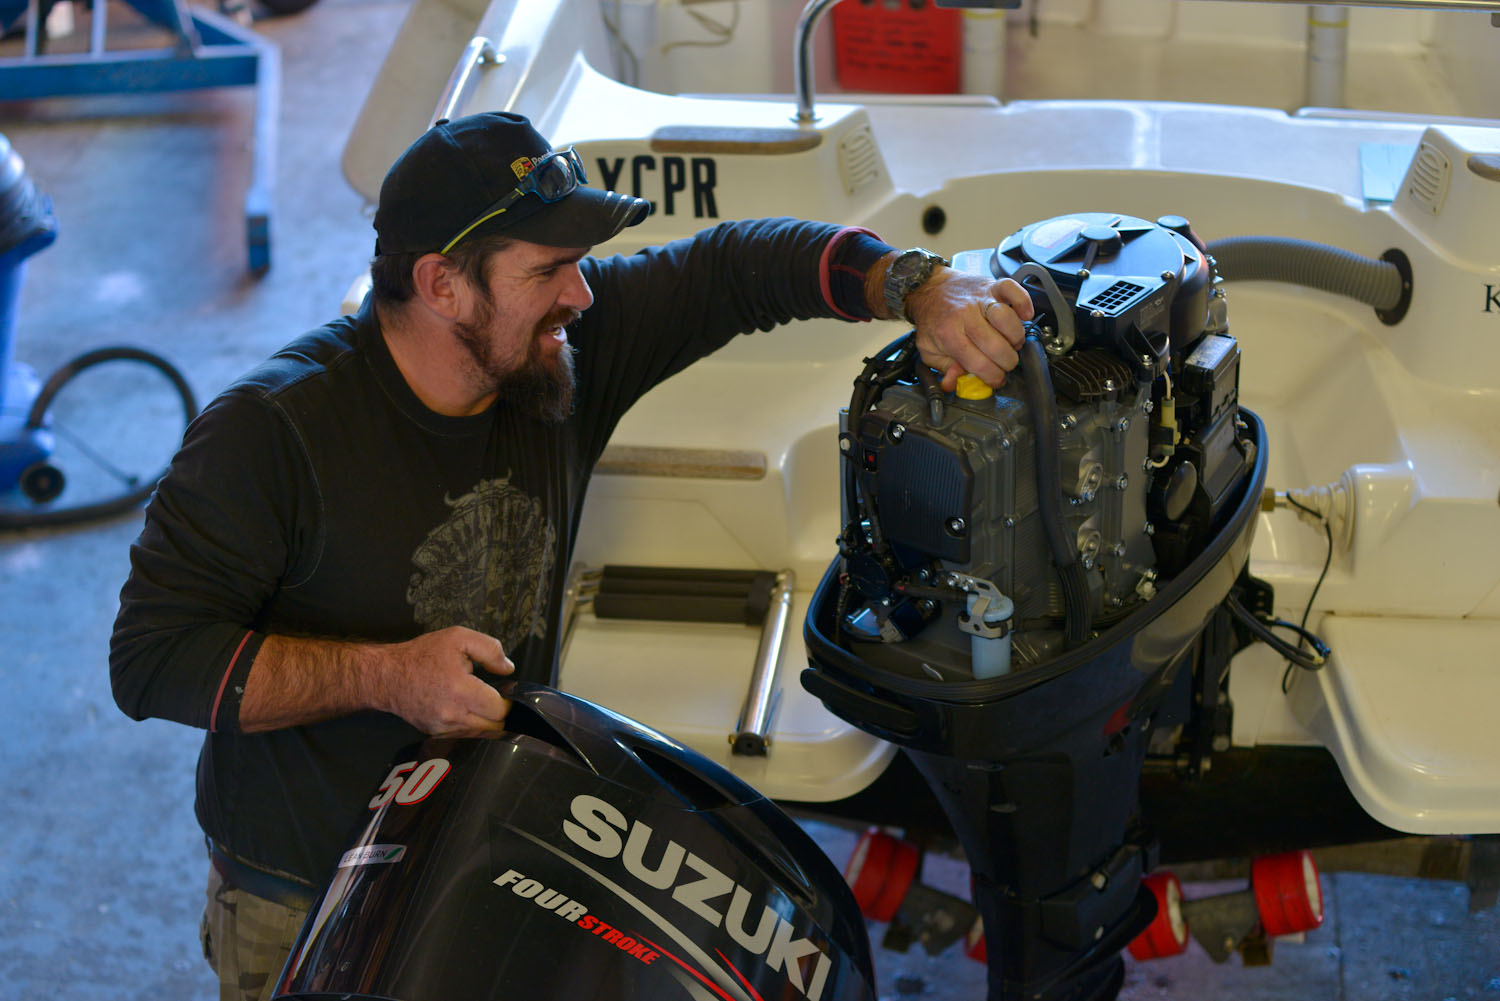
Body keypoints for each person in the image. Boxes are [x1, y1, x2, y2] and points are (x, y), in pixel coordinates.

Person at [109, 110, 1033, 1001]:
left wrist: (918, 283)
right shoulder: (270, 433)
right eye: (549, 269)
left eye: (582, 264)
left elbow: (738, 267)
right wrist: (388, 676)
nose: (582, 295)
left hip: (485, 844)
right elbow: (152, 661)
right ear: (441, 284)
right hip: (309, 885)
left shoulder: (553, 354)